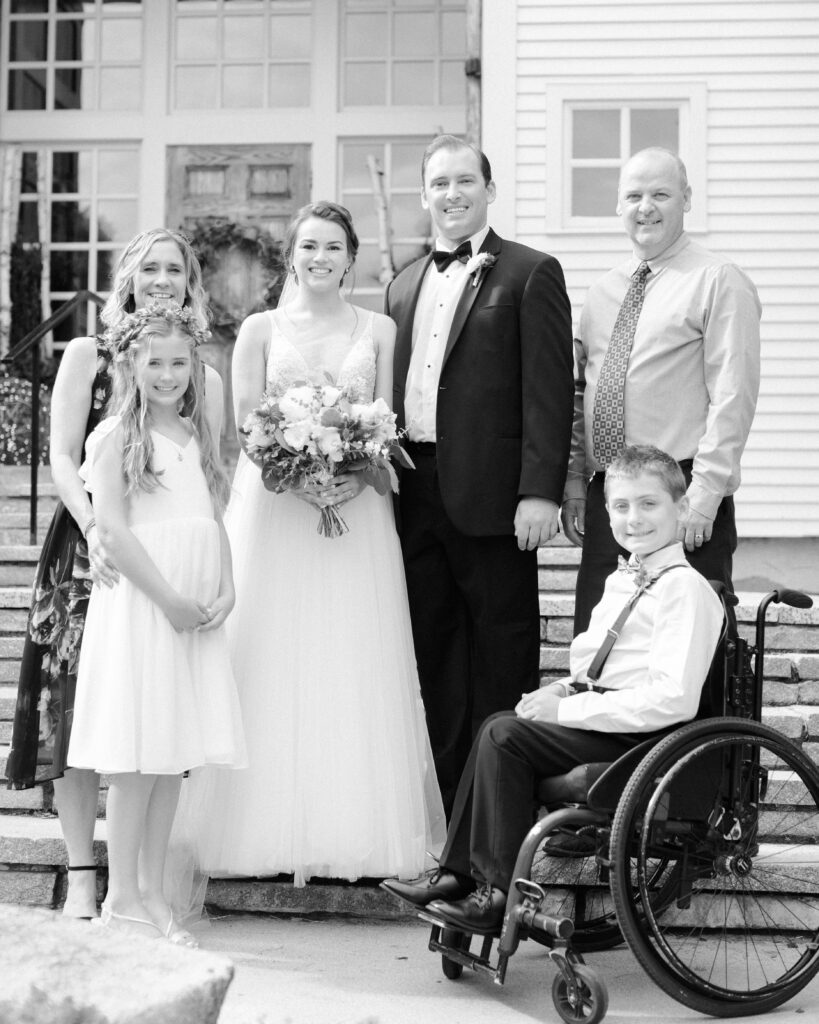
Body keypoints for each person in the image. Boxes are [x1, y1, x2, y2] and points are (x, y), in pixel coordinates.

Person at [185, 201, 445, 886]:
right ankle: (254, 833)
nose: (320, 257)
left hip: (357, 516)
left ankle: (352, 830)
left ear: (349, 256)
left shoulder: (381, 328)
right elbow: (246, 427)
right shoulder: (259, 329)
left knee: (352, 655)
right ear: (291, 255)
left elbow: (384, 425)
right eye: (308, 245)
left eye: (333, 246)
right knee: (272, 652)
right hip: (277, 513)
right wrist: (298, 477)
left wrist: (353, 477)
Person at [383, 445, 723, 934]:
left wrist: (566, 712)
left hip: (648, 743)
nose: (634, 518)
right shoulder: (623, 580)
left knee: (505, 735)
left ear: (682, 508)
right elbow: (600, 671)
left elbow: (672, 699)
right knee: (502, 724)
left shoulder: (683, 590)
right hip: (610, 722)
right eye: (622, 506)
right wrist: (562, 691)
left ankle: (496, 897)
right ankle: (460, 878)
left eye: (649, 504)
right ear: (606, 513)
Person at [5, 228, 223, 920]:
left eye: (174, 270)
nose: (161, 278)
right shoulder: (88, 356)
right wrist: (96, 523)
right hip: (87, 544)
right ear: (127, 275)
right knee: (74, 709)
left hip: (162, 551)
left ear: (190, 284)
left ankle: (140, 884)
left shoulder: (198, 373)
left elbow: (206, 476)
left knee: (146, 710)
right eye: (149, 267)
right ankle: (82, 872)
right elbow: (63, 457)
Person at [384, 134, 574, 813]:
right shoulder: (401, 283)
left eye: (465, 180)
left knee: (501, 658)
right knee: (434, 660)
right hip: (415, 492)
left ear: (489, 190)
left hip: (496, 500)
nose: (452, 193)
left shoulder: (530, 273)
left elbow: (548, 392)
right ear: (425, 194)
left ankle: (502, 821)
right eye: (439, 182)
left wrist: (539, 490)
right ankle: (451, 821)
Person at [66, 303, 245, 943]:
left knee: (172, 758)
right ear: (130, 365)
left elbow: (213, 519)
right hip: (146, 608)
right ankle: (124, 895)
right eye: (155, 363)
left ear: (194, 366)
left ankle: (155, 893)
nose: (168, 375)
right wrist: (167, 598)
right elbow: (111, 529)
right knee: (137, 758)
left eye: (179, 363)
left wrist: (225, 584)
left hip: (191, 611)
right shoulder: (114, 436)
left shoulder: (196, 435)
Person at [562, 147, 761, 635]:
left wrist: (704, 495)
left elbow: (733, 395)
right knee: (603, 650)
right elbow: (579, 393)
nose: (645, 207)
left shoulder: (717, 280)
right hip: (610, 495)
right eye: (633, 196)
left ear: (687, 199)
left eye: (660, 194)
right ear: (618, 206)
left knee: (688, 655)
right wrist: (574, 484)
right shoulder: (602, 291)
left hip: (680, 493)